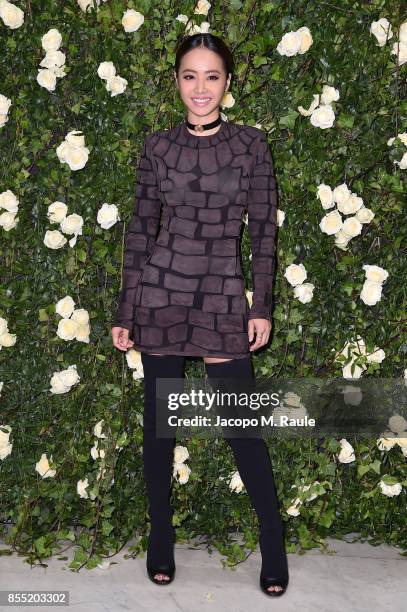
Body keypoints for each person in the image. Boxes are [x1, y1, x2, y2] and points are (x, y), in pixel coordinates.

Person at [111, 33, 289, 597]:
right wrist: (126, 307)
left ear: (228, 83)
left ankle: (273, 541)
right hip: (161, 295)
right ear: (177, 83)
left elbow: (262, 232)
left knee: (243, 430)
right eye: (190, 75)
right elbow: (140, 230)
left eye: (212, 76)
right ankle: (160, 539)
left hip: (219, 294)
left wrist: (261, 304)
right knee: (159, 431)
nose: (201, 87)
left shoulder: (251, 146)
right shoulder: (157, 147)